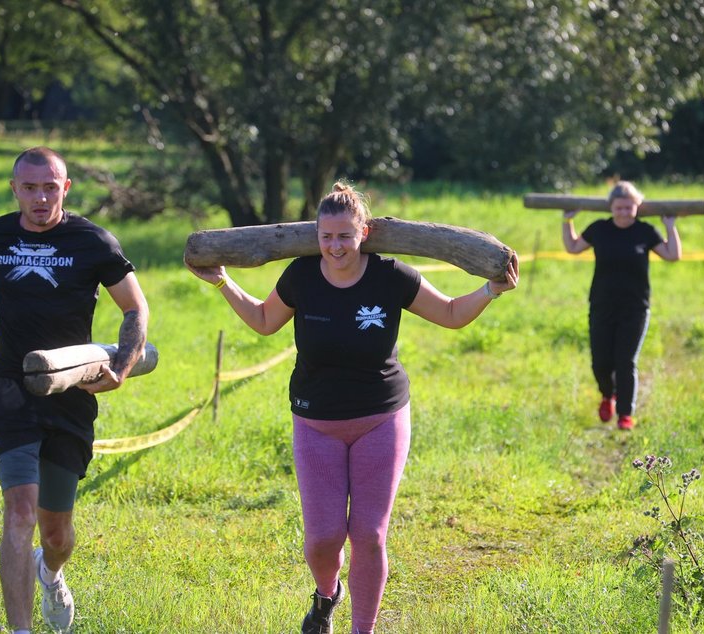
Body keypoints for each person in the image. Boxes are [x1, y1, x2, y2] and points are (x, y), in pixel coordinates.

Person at [186, 182, 518, 634]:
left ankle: (364, 627)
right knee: (322, 539)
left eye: (345, 236)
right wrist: (223, 280)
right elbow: (264, 322)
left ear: (364, 233)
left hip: (380, 418)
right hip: (316, 422)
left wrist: (491, 290)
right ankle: (327, 595)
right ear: (315, 236)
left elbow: (452, 313)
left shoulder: (390, 275)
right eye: (326, 237)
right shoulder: (301, 277)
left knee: (369, 535)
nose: (335, 246)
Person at [0, 147, 149, 634]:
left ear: (66, 188)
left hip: (70, 392)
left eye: (50, 187)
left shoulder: (93, 241)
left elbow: (135, 309)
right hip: (10, 391)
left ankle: (51, 571)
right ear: (14, 188)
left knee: (56, 532)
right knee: (19, 509)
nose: (40, 198)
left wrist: (121, 366)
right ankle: (21, 629)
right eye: (30, 187)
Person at [561, 180, 681, 430]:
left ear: (637, 206)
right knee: (600, 361)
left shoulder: (645, 232)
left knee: (625, 361)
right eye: (619, 208)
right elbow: (573, 248)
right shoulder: (599, 229)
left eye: (629, 207)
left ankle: (625, 414)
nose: (624, 213)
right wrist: (567, 221)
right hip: (602, 305)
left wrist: (670, 227)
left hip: (635, 307)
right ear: (611, 208)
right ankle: (608, 395)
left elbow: (672, 255)